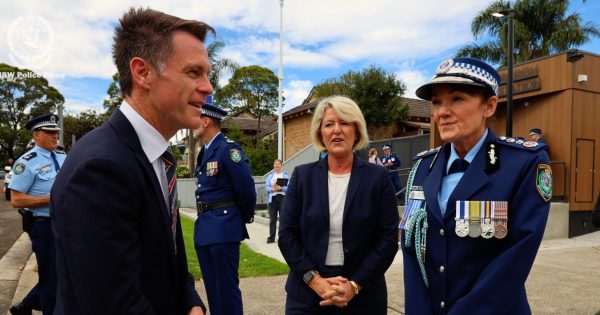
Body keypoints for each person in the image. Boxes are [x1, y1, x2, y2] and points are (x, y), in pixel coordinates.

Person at [50, 7, 212, 315]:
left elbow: (169, 257)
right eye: (193, 72)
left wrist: (191, 302)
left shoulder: (156, 156)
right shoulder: (100, 170)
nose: (208, 87)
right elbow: (113, 304)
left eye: (207, 74)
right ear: (142, 72)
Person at [402, 57, 552, 314]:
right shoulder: (422, 168)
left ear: (489, 106)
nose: (442, 112)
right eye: (437, 102)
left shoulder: (523, 164)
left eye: (457, 99)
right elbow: (411, 248)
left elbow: (514, 259)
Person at [278, 96, 399, 314]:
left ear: (357, 130)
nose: (336, 130)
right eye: (329, 124)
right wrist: (315, 281)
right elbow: (287, 235)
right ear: (320, 133)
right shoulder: (302, 176)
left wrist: (354, 285)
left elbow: (388, 240)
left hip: (363, 296)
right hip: (306, 296)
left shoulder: (378, 178)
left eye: (344, 123)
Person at [193, 102, 256, 315]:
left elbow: (246, 189)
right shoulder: (204, 153)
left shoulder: (229, 149)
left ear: (206, 121)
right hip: (205, 229)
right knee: (213, 291)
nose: (192, 125)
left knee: (226, 292)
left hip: (224, 227)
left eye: (196, 119)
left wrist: (240, 219)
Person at [8, 114, 65, 315]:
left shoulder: (61, 155)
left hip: (64, 223)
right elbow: (17, 200)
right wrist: (51, 198)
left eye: (55, 132)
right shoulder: (26, 162)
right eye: (49, 132)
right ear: (36, 135)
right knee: (52, 279)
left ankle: (24, 306)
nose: (54, 136)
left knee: (61, 271)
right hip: (43, 225)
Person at [265, 159, 290, 243]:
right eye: (275, 164)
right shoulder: (270, 176)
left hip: (282, 198)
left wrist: (281, 188)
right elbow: (267, 187)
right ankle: (271, 238)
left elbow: (289, 188)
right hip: (273, 198)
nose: (277, 165)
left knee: (283, 219)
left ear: (281, 165)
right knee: (272, 219)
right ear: (274, 166)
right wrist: (272, 189)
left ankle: (282, 238)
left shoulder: (285, 176)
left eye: (278, 164)